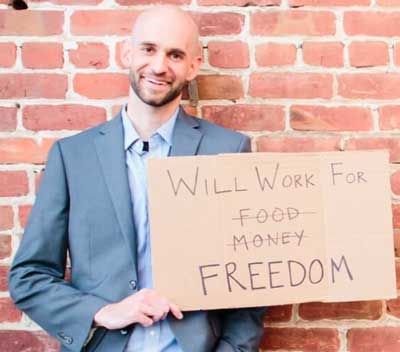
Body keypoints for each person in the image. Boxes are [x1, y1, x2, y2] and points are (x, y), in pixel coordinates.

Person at [9, 6, 266, 352]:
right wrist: (103, 311)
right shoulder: (73, 157)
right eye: (148, 49)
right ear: (127, 53)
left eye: (175, 54)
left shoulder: (228, 150)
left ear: (193, 67)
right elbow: (29, 278)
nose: (159, 66)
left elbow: (253, 282)